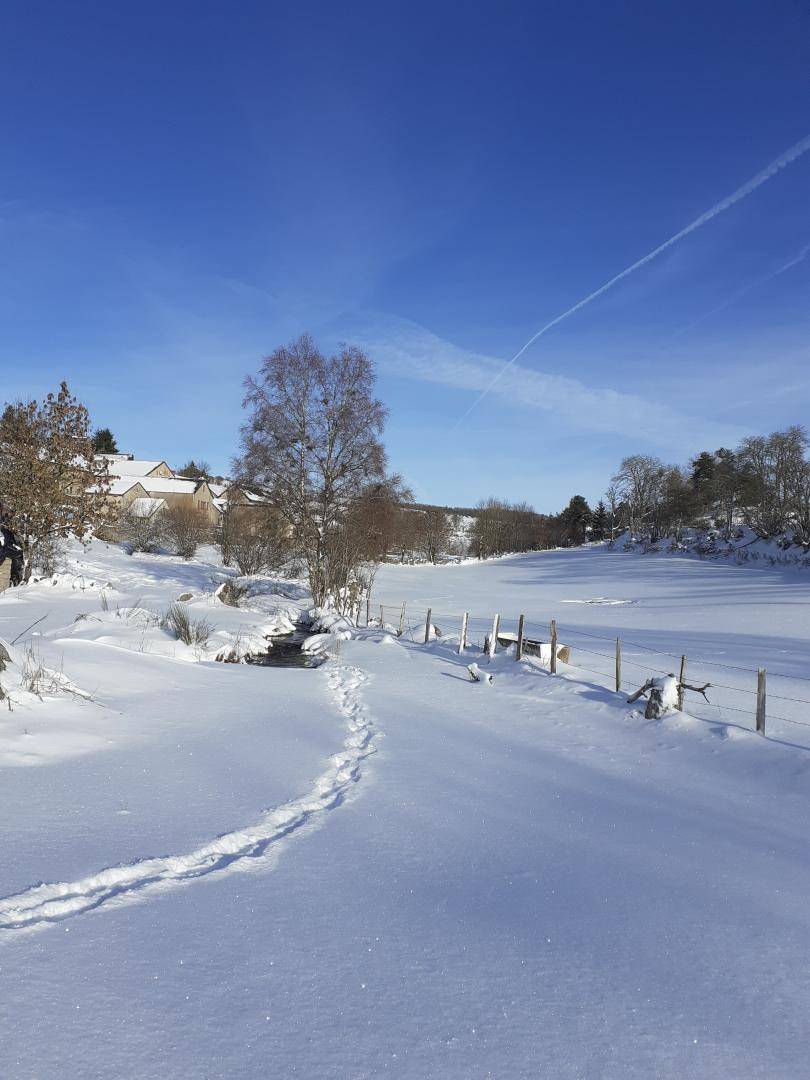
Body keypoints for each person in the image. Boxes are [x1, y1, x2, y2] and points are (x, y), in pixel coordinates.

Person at [0, 503, 23, 586]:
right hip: (5, 552)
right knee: (18, 554)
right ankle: (15, 579)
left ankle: (15, 579)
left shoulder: (6, 521)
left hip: (8, 549)